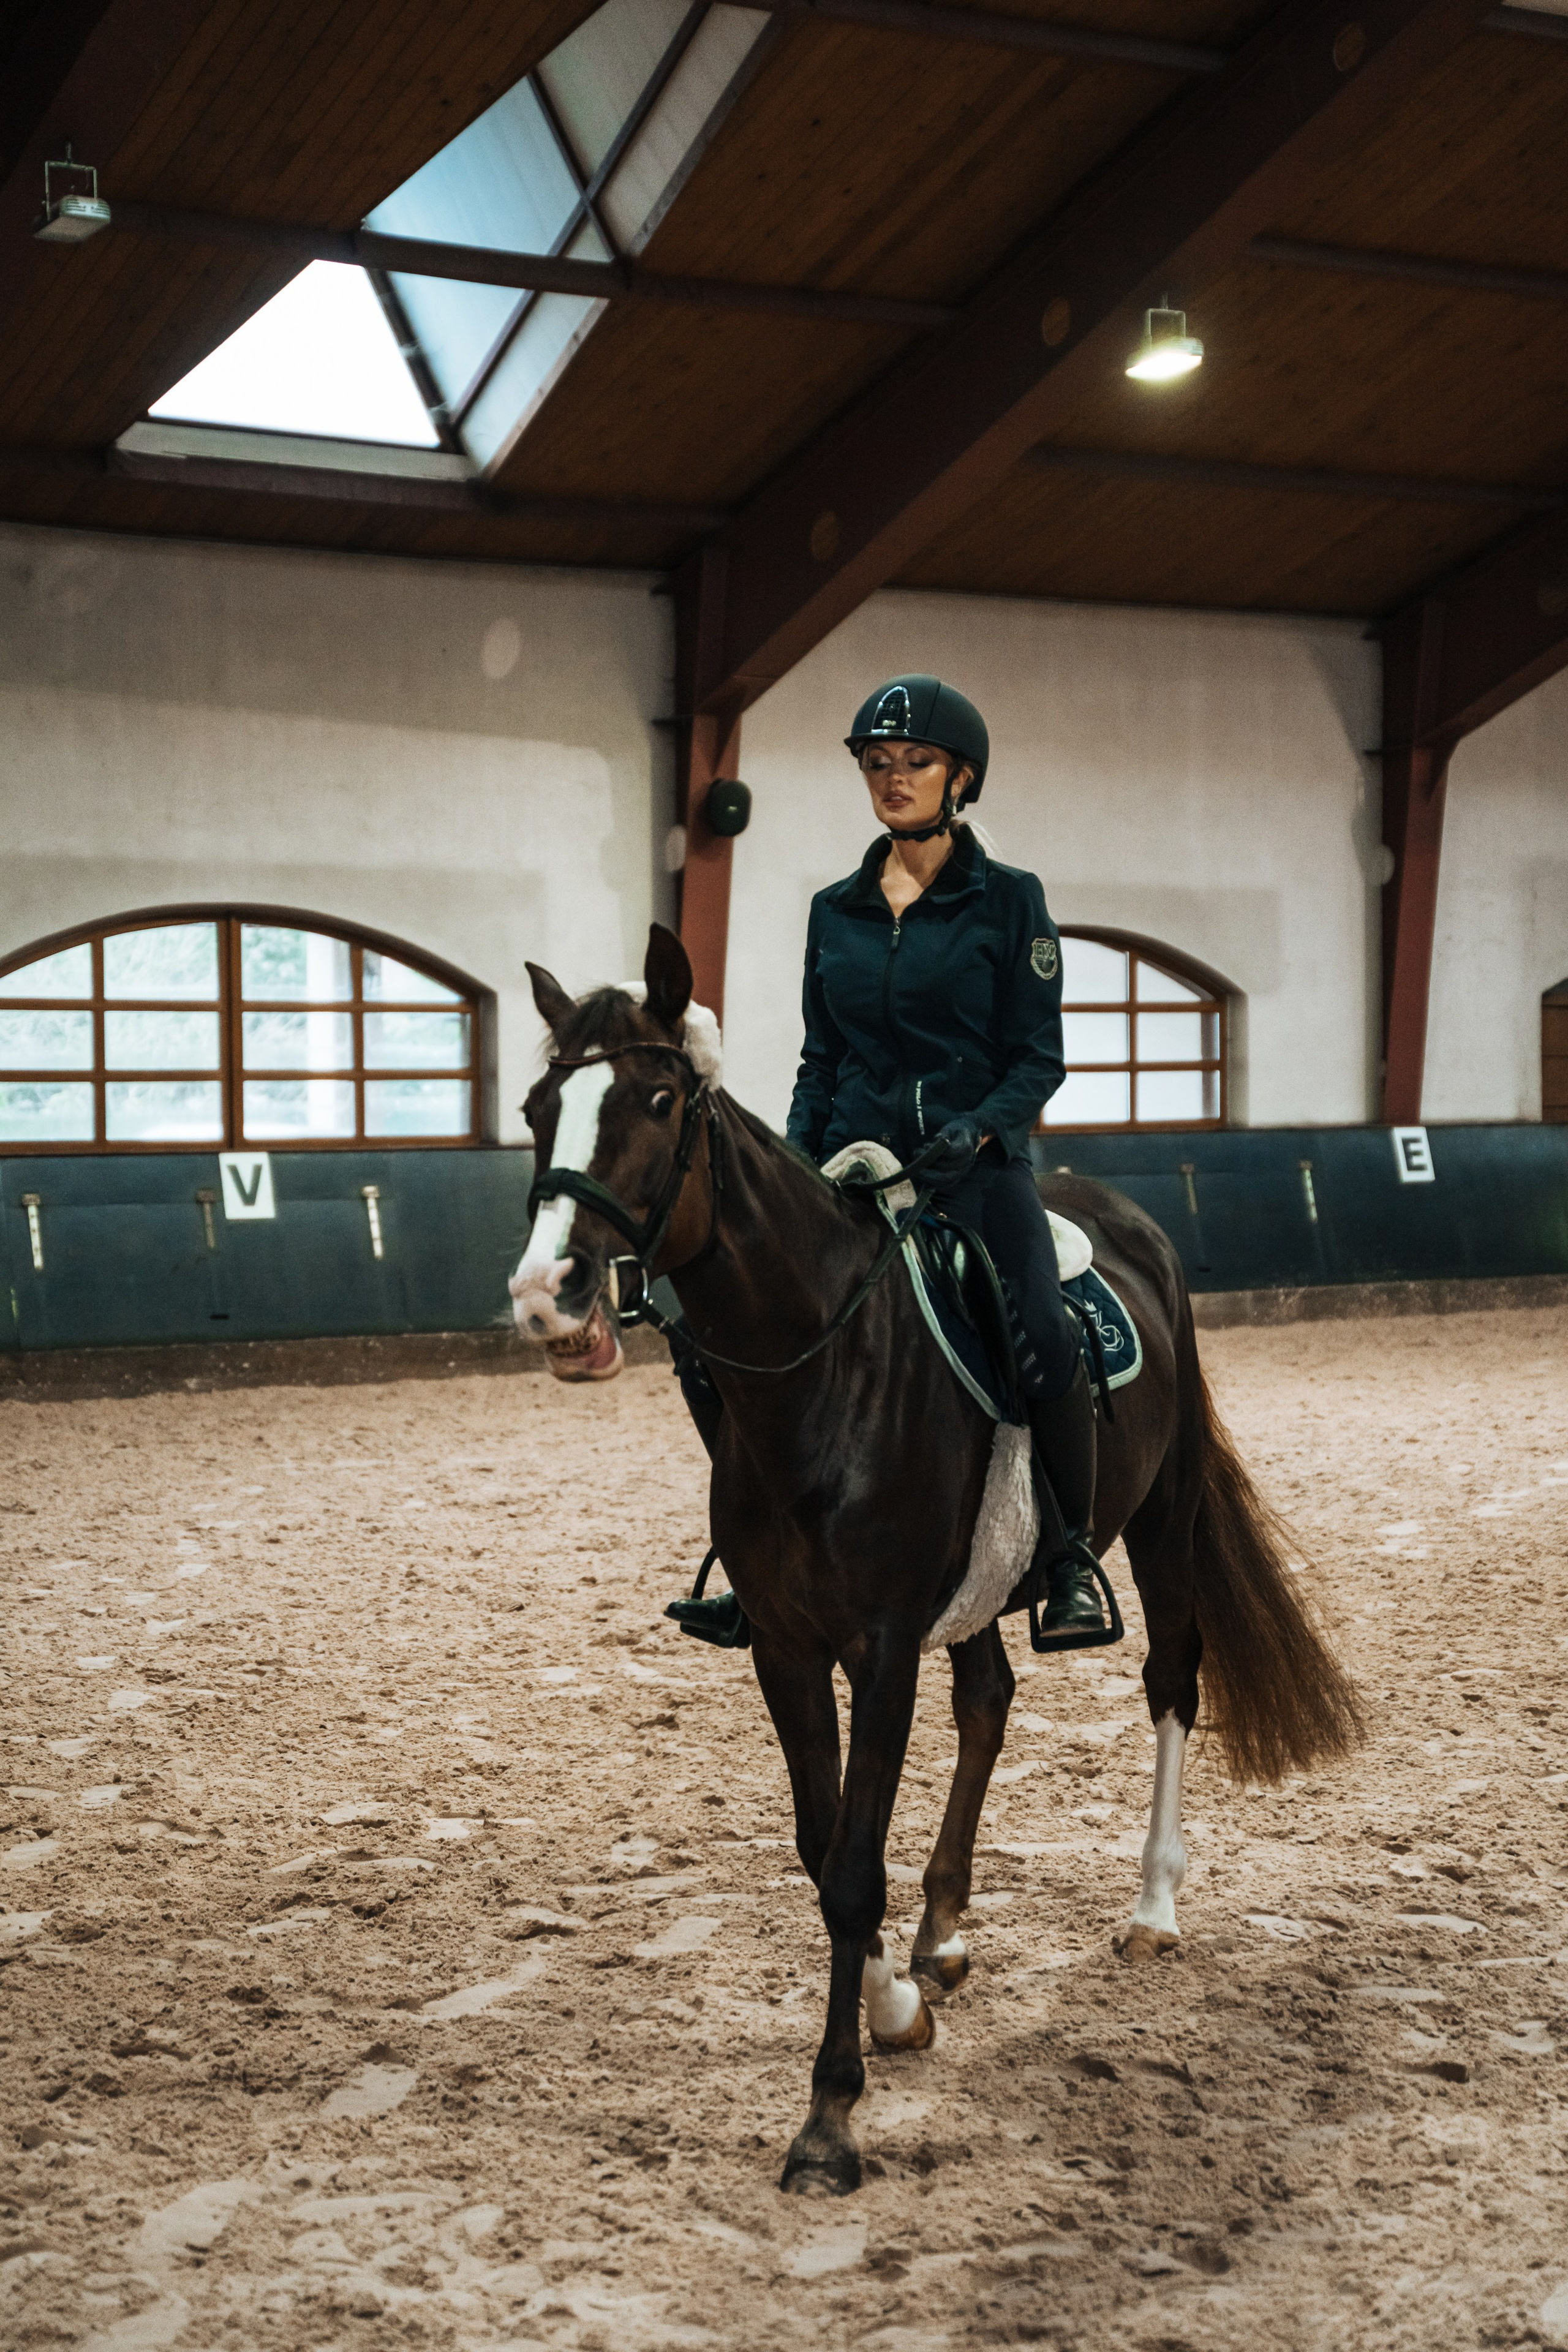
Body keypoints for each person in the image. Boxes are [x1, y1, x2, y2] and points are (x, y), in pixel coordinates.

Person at [667, 673, 1102, 1648]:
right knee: (710, 1333)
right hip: (854, 1165)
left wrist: (979, 1130)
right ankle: (756, 1557)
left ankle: (1070, 1554)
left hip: (973, 1167)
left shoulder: (1011, 903)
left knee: (1038, 1320)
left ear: (962, 779)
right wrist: (793, 1162)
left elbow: (1040, 1058)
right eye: (878, 764)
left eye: (915, 763)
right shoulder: (838, 909)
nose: (893, 779)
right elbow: (824, 1058)